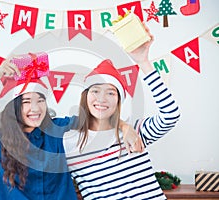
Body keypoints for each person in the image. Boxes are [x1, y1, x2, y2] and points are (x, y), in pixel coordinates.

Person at [0, 55, 142, 199]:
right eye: (26, 101)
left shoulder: (60, 129)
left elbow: (98, 118)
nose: (35, 108)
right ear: (14, 106)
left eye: (40, 100)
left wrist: (125, 127)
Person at [63, 31, 181, 199]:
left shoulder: (136, 131)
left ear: (119, 101)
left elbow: (170, 115)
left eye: (111, 93)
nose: (102, 99)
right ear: (85, 96)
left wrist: (143, 62)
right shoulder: (68, 143)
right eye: (95, 90)